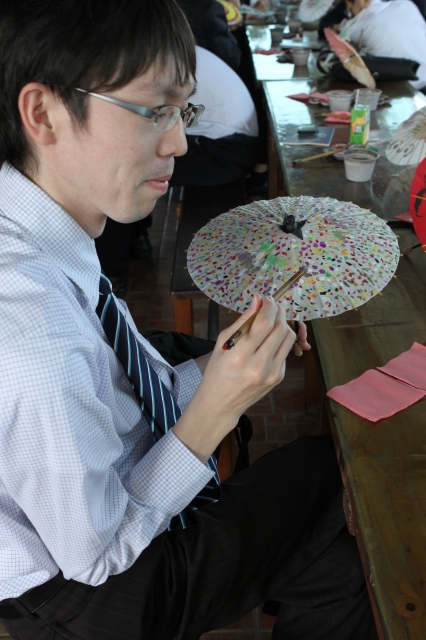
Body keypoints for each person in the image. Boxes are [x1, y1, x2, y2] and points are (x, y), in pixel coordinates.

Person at [0, 1, 373, 639]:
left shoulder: (38, 221)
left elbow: (123, 388)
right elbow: (96, 556)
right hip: (82, 595)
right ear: (44, 113)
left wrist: (223, 368)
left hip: (94, 504)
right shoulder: (36, 337)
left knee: (334, 548)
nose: (177, 142)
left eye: (183, 111)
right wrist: (213, 412)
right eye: (155, 111)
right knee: (335, 477)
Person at [170, 46, 259, 187]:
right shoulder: (183, 49)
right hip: (238, 148)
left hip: (223, 154)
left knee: (140, 165)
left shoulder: (164, 59)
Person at [343, 0, 426, 89]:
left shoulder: (356, 26)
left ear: (348, 2)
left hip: (406, 87)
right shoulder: (406, 4)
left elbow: (340, 42)